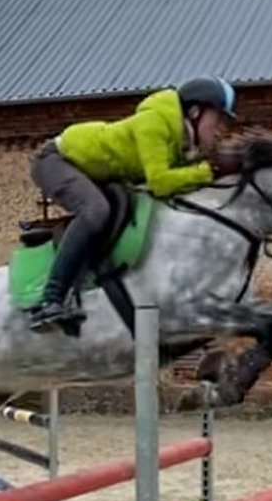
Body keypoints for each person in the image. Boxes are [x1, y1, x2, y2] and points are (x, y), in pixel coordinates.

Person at [27, 75, 241, 332]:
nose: (221, 131)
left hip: (94, 172)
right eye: (219, 120)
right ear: (195, 111)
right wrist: (209, 171)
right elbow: (161, 182)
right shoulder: (156, 123)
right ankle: (51, 299)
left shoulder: (182, 143)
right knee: (96, 210)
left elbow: (176, 185)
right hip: (57, 160)